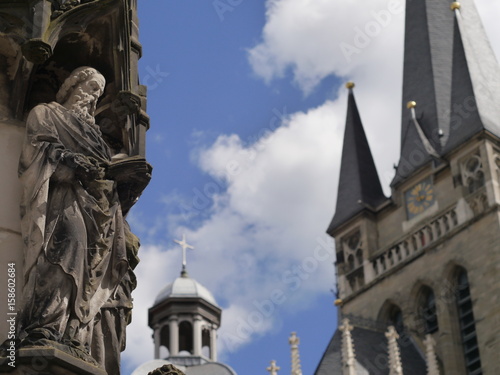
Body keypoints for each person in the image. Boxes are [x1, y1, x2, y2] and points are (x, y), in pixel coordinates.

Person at [17, 66, 129, 363]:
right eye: (91, 88)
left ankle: (72, 332)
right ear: (71, 87)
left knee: (85, 261)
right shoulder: (46, 113)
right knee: (65, 247)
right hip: (60, 198)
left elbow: (107, 175)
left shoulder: (96, 137)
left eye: (99, 93)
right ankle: (42, 325)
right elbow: (35, 151)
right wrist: (73, 161)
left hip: (94, 206)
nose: (93, 97)